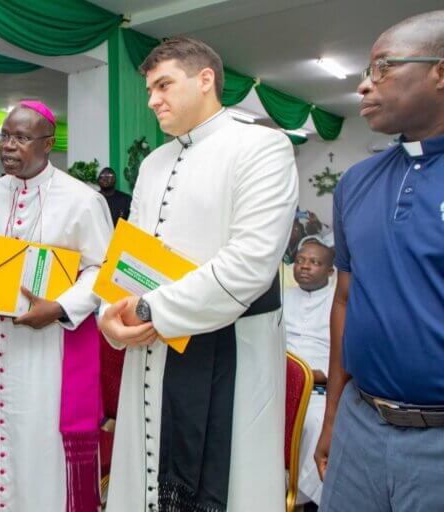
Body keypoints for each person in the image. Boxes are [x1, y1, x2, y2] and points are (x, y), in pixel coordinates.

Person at [99, 37, 298, 512]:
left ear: (205, 79)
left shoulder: (261, 146)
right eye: (149, 90)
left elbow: (249, 264)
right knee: (144, 482)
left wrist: (149, 309)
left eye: (164, 85)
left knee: (229, 488)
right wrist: (111, 313)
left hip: (229, 350)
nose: (152, 100)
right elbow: (129, 258)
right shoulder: (153, 163)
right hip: (150, 350)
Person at [0, 100, 112, 512]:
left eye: (21, 138)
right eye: (5, 136)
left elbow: (103, 270)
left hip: (49, 351)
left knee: (39, 449)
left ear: (48, 143)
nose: (8, 146)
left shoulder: (82, 200)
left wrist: (60, 306)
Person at [315, 12, 444, 512]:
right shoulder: (356, 181)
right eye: (366, 71)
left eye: (384, 67)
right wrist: (332, 417)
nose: (365, 85)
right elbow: (344, 300)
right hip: (360, 425)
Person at [283, 237, 335, 507]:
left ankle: (302, 499)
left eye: (314, 262)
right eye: (300, 260)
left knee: (316, 424)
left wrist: (317, 375)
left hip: (318, 391)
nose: (304, 266)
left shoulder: (339, 303)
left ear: (330, 270)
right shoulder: (282, 298)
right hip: (278, 384)